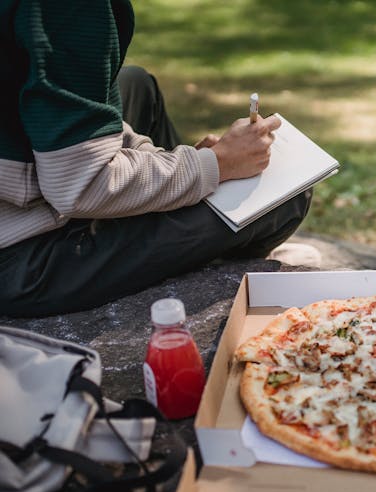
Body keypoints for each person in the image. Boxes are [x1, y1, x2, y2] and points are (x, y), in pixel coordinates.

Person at [0, 1, 313, 317]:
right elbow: (83, 186)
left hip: (26, 187)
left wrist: (184, 163)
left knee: (137, 86)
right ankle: (226, 259)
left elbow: (76, 125)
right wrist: (215, 165)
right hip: (21, 258)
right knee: (286, 197)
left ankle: (189, 224)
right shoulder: (70, 9)